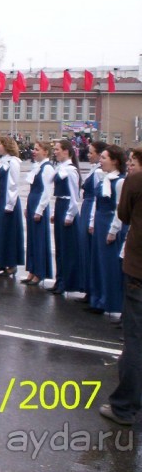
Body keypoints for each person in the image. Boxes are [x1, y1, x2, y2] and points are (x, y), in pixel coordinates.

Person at [100, 145, 142, 426]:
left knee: (136, 340)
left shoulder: (136, 181)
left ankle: (124, 406)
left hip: (139, 269)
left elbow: (124, 215)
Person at [89, 146, 127, 317]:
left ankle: (110, 301)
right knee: (97, 262)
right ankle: (98, 299)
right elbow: (96, 203)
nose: (100, 160)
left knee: (108, 264)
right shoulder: (103, 178)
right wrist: (92, 221)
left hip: (109, 222)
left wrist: (113, 231)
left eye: (104, 158)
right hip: (99, 220)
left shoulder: (119, 181)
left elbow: (120, 209)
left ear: (115, 161)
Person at [0, 136, 24, 276]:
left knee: (9, 233)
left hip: (10, 201)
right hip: (2, 198)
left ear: (7, 146)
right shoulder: (2, 161)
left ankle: (11, 263)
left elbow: (14, 184)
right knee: (0, 232)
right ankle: (0, 262)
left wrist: (9, 204)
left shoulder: (13, 162)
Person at [50, 139, 82, 294]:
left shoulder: (70, 170)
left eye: (57, 149)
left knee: (67, 248)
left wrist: (70, 215)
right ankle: (59, 279)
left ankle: (66, 282)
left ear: (66, 151)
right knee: (60, 247)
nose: (55, 152)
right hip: (60, 205)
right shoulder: (61, 168)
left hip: (67, 207)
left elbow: (75, 196)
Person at [21, 142, 55, 285]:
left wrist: (39, 210)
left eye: (37, 149)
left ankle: (39, 272)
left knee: (40, 239)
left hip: (39, 205)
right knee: (32, 239)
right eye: (34, 149)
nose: (34, 152)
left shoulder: (47, 168)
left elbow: (47, 192)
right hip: (33, 202)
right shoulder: (37, 167)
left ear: (46, 152)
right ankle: (32, 270)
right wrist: (28, 206)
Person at [78, 141, 108, 304]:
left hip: (91, 207)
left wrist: (91, 220)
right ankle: (89, 290)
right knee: (86, 249)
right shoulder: (94, 169)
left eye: (91, 153)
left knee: (91, 250)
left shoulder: (99, 173)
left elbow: (98, 196)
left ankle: (94, 292)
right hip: (87, 206)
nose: (88, 155)